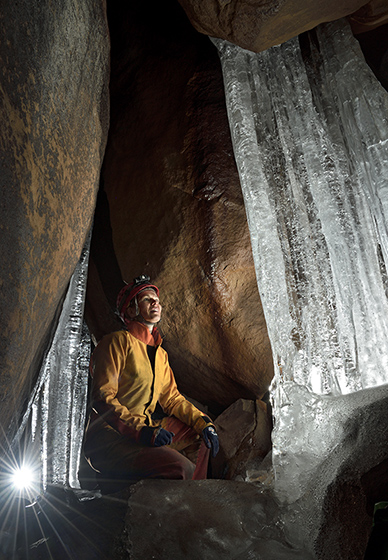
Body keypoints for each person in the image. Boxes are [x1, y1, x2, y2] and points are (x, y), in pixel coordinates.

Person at [84, 275, 219, 483]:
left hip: (145, 429)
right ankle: (176, 497)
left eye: (157, 299)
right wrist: (142, 431)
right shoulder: (115, 343)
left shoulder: (160, 355)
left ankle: (193, 495)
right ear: (130, 310)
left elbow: (172, 399)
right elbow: (103, 398)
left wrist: (205, 424)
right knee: (181, 468)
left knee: (199, 434)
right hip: (111, 438)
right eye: (147, 299)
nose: (156, 302)